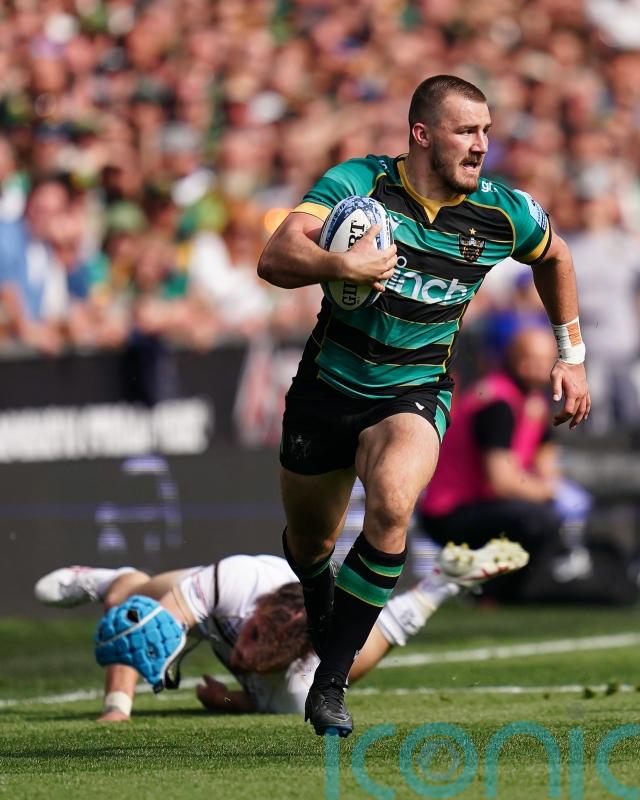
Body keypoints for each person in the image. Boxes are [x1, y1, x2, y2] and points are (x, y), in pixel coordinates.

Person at [256, 74, 590, 735]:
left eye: (486, 132)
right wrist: (342, 266)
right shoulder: (361, 184)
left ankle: (330, 683)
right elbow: (276, 256)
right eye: (466, 131)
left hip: (414, 392)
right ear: (423, 134)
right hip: (328, 389)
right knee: (311, 542)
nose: (481, 145)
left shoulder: (503, 212)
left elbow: (555, 258)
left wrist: (571, 354)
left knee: (391, 505)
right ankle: (320, 599)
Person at [33, 537, 528, 721]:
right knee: (131, 601)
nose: (245, 656)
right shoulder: (238, 581)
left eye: (261, 655)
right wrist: (117, 707)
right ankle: (106, 579)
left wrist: (225, 698)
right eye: (250, 638)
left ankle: (442, 583)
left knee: (359, 654)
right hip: (215, 607)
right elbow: (150, 625)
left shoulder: (297, 685)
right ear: (256, 615)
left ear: (291, 657)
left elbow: (254, 701)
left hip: (317, 646)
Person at [417, 325, 593, 601]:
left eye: (545, 359)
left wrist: (550, 483)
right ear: (513, 358)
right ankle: (491, 593)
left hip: (481, 506)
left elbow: (545, 459)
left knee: (545, 517)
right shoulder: (497, 402)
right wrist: (551, 492)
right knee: (537, 521)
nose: (537, 367)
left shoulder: (533, 401)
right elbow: (501, 481)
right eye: (529, 358)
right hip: (451, 512)